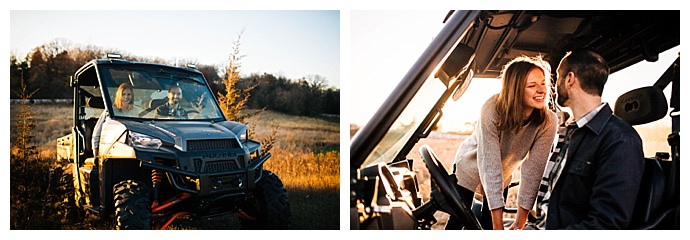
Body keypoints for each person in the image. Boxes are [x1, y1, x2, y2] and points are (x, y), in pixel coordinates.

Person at [447, 55, 558, 230]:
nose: (541, 90)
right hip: (470, 168)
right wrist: (498, 228)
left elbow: (534, 171)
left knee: (487, 224)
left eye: (543, 83)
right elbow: (490, 164)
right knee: (457, 223)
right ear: (516, 90)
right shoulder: (492, 108)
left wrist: (520, 222)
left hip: (503, 175)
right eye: (531, 85)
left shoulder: (549, 121)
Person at [544, 49, 644, 229]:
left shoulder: (620, 140)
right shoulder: (570, 131)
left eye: (558, 76)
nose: (554, 83)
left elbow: (606, 225)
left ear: (570, 79)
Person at [92, 83, 142, 158]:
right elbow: (97, 131)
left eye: (129, 94)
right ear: (119, 96)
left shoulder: (135, 111)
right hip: (110, 146)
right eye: (123, 94)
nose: (126, 97)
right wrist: (95, 152)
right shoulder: (110, 111)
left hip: (128, 147)